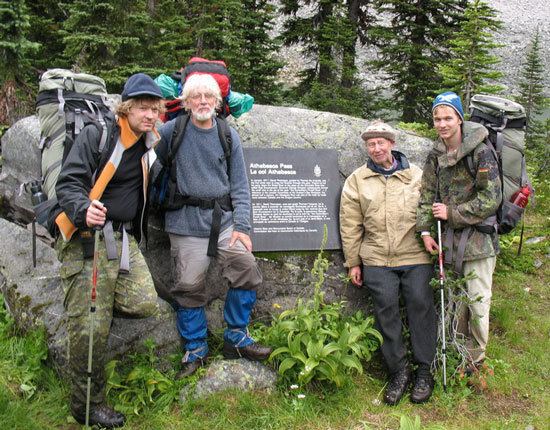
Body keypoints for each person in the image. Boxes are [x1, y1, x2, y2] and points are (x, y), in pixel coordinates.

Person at [53, 73, 164, 427]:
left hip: (122, 240)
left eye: (155, 109)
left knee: (146, 302)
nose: (150, 115)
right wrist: (83, 209)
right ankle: (86, 406)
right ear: (127, 108)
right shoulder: (97, 136)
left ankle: (93, 308)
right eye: (143, 108)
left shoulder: (148, 145)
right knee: (90, 328)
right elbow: (68, 183)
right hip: (88, 239)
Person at [155, 73, 271, 378]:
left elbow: (241, 187)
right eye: (196, 97)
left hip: (224, 222)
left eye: (209, 96)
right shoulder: (171, 131)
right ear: (186, 102)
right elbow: (145, 161)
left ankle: (236, 336)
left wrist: (242, 227)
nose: (203, 101)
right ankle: (195, 348)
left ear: (218, 102)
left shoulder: (228, 135)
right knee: (188, 287)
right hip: (184, 222)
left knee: (245, 268)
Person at [340, 120, 437, 405]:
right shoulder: (357, 180)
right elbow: (350, 223)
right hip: (376, 258)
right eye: (371, 144)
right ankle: (398, 371)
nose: (376, 147)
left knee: (421, 305)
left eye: (381, 142)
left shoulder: (416, 175)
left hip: (415, 255)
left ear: (392, 143)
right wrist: (353, 262)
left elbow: (427, 211)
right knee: (386, 312)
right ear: (366, 148)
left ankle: (423, 371)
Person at [417, 91, 501, 374]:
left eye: (447, 118)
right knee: (454, 300)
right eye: (437, 118)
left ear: (459, 118)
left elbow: (492, 198)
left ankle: (476, 362)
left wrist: (453, 214)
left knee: (477, 301)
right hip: (448, 240)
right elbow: (426, 194)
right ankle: (456, 351)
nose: (442, 124)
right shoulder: (436, 154)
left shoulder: (481, 150)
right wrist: (425, 230)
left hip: (479, 240)